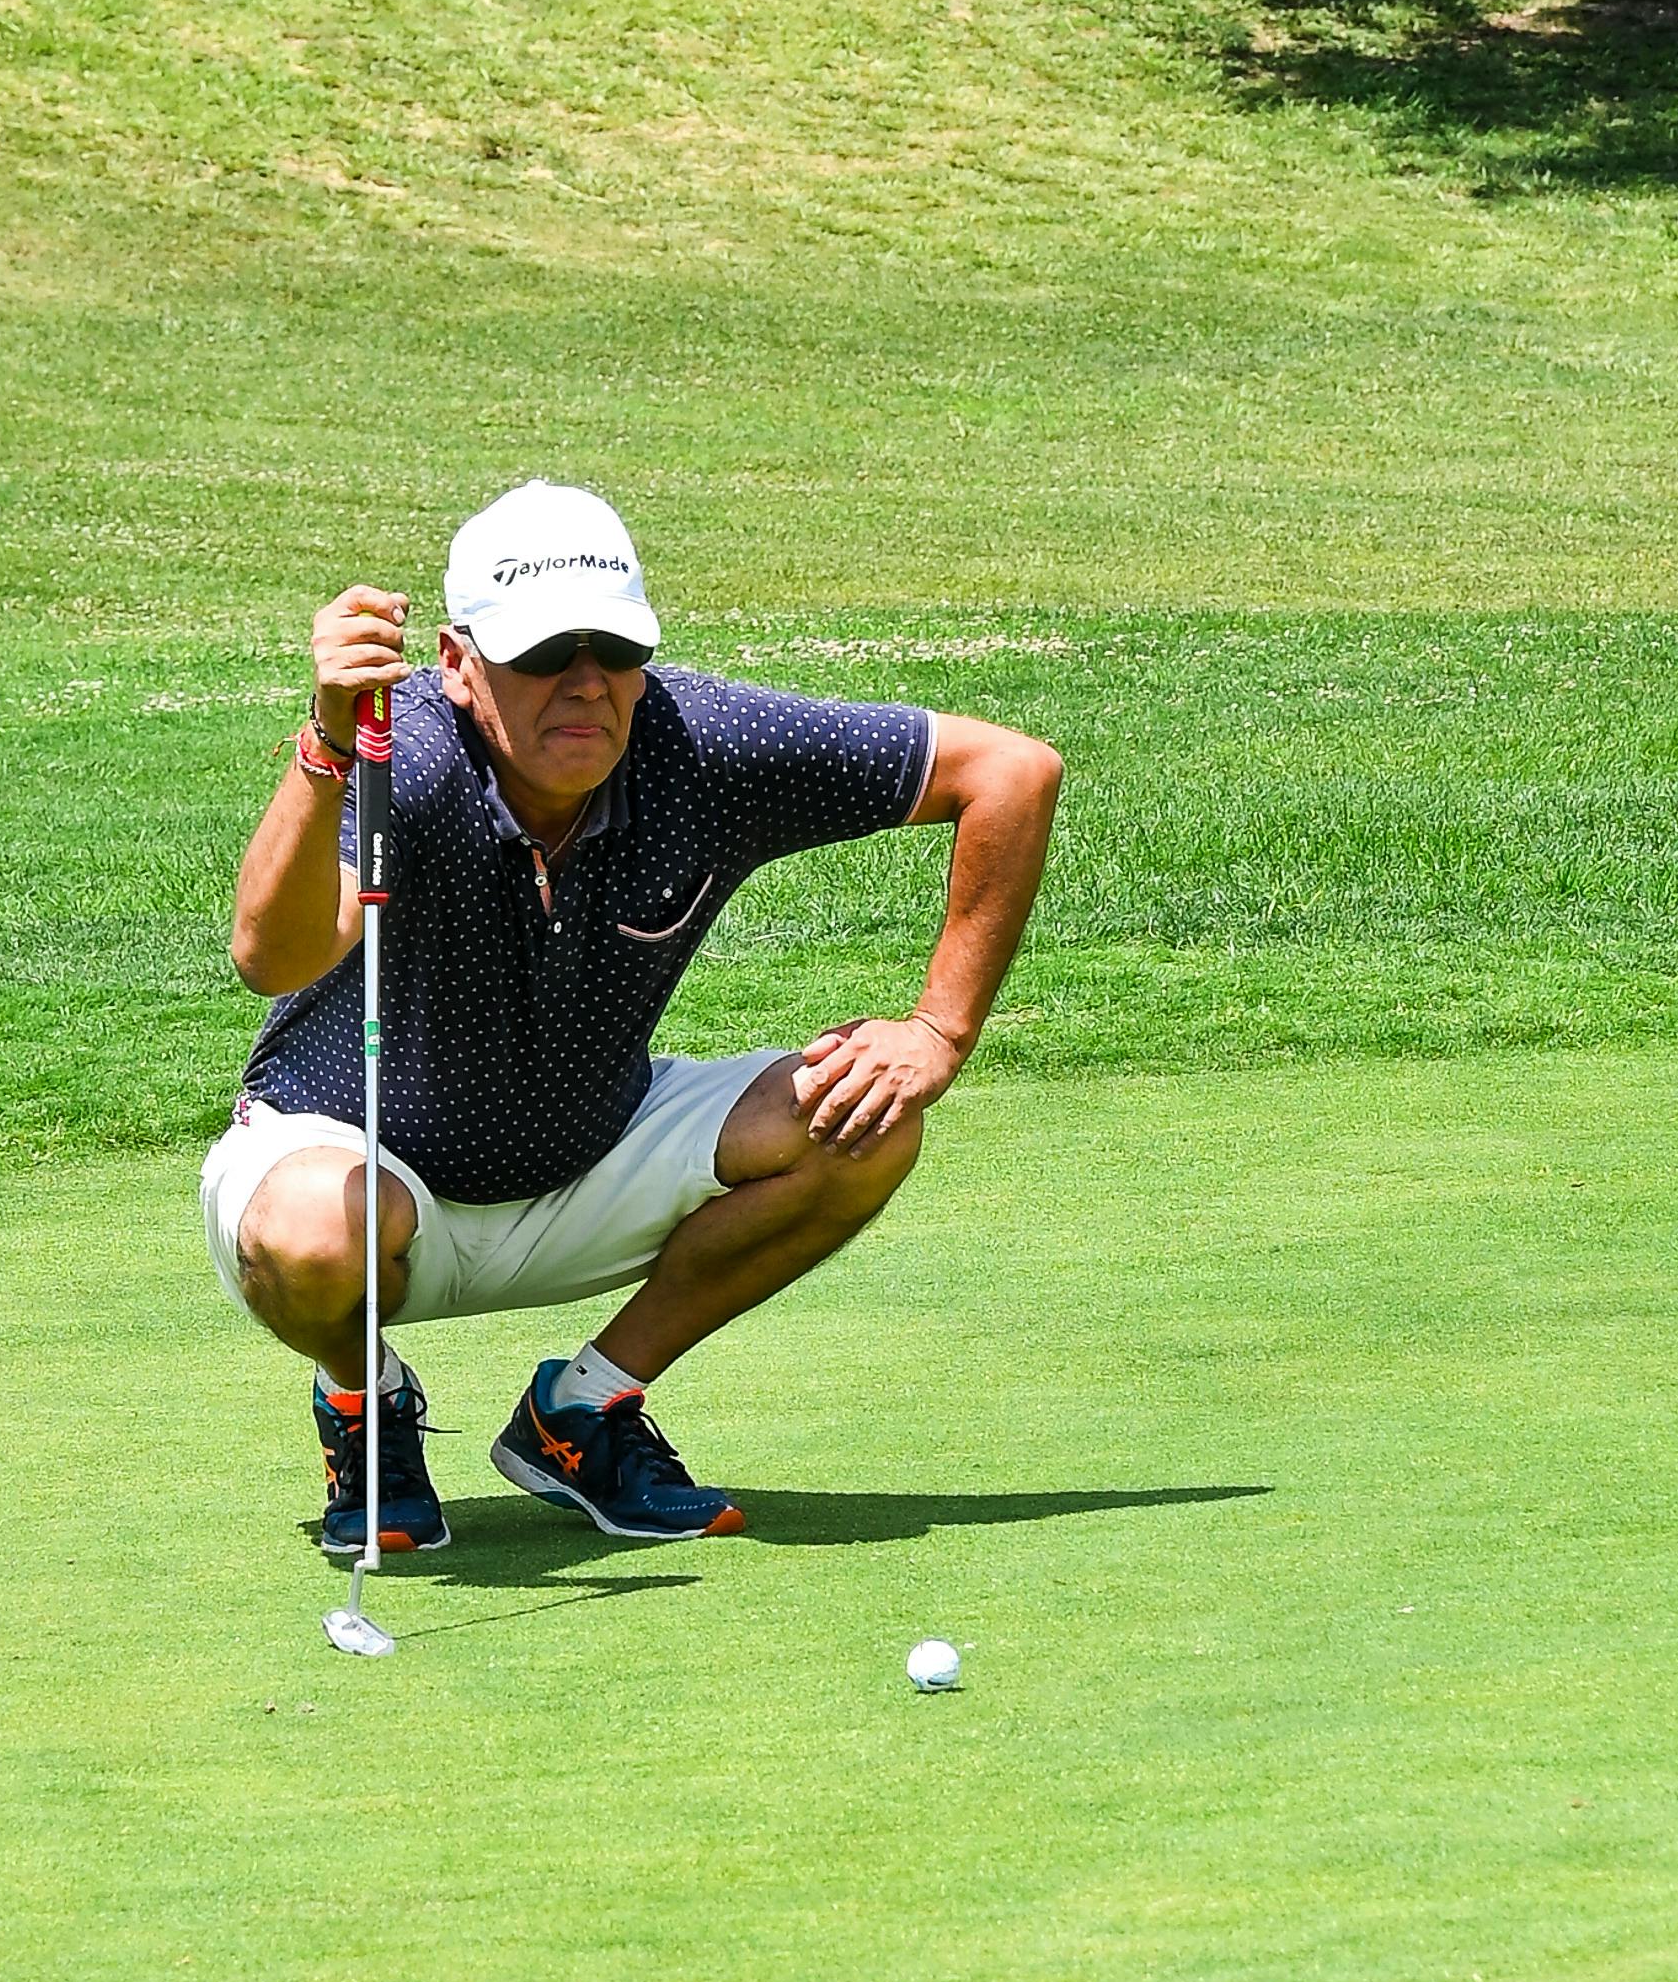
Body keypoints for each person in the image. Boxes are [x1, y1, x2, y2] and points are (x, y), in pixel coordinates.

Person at [204, 478, 1061, 1557]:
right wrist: (329, 750)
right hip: (359, 1172)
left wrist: (938, 1029)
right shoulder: (401, 759)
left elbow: (1013, 773)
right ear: (458, 662)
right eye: (541, 655)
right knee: (313, 1234)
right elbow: (267, 955)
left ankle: (581, 1417)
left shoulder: (699, 742)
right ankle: (363, 1404)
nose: (584, 685)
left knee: (867, 1120)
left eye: (612, 649)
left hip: (587, 1150)